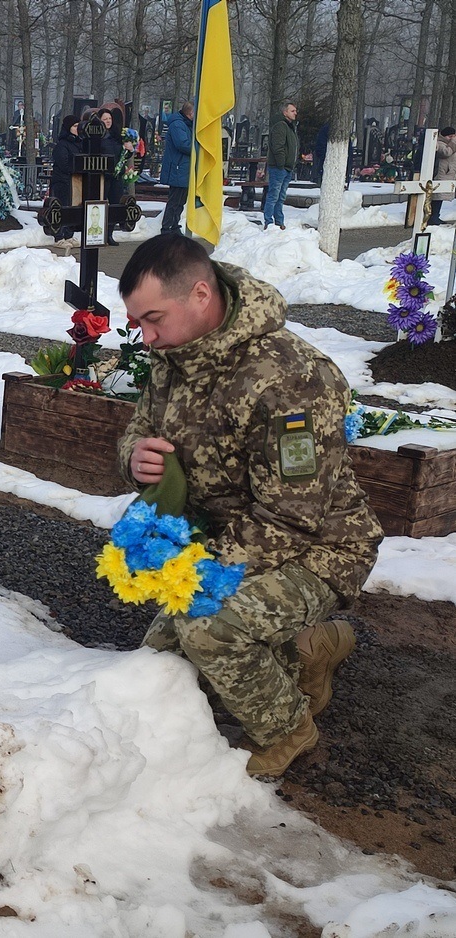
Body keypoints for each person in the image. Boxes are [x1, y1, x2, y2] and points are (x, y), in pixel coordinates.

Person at [118, 233, 382, 778]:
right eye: (137, 323)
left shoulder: (290, 378)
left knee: (209, 630)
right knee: (160, 658)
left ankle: (290, 728)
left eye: (153, 318)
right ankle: (307, 654)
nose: (146, 338)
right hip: (236, 537)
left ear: (198, 294)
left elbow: (293, 515)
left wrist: (193, 566)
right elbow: (140, 428)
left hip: (319, 549)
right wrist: (134, 457)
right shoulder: (177, 354)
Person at [263, 101, 299, 230]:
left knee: (281, 196)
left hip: (287, 168)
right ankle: (268, 221)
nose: (295, 113)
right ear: (285, 112)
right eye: (292, 111)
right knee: (274, 195)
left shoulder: (290, 127)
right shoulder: (281, 126)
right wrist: (281, 164)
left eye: (295, 111)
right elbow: (278, 147)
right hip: (280, 168)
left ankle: (279, 221)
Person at [159, 102, 193, 233]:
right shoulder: (178, 125)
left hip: (183, 168)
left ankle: (174, 224)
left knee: (181, 201)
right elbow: (183, 144)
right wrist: (198, 149)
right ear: (189, 113)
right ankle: (166, 227)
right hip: (178, 167)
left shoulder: (184, 124)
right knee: (174, 200)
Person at [49, 114, 80, 246]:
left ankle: (69, 234)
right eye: (74, 126)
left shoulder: (79, 143)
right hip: (62, 181)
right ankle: (58, 236)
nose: (77, 129)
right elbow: (64, 164)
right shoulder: (62, 144)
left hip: (75, 182)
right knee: (61, 209)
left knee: (71, 209)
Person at [97, 106, 124, 245]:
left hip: (116, 175)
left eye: (109, 119)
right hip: (103, 175)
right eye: (105, 119)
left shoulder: (116, 135)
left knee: (114, 204)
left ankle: (109, 233)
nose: (108, 121)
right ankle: (98, 233)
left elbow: (122, 155)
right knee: (100, 204)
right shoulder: (98, 136)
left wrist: (129, 150)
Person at [430, 126, 455, 226]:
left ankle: (436, 215)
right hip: (442, 173)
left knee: (441, 196)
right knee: (437, 196)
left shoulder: (451, 144)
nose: (452, 138)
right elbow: (446, 153)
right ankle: (433, 216)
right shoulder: (439, 143)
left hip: (449, 173)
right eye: (450, 136)